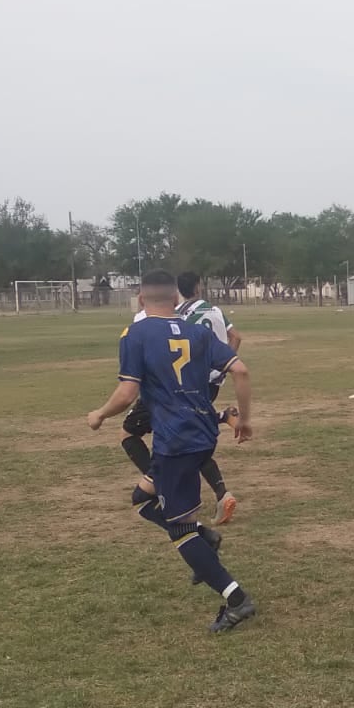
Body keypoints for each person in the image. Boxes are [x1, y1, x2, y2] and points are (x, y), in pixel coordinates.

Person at [87, 269, 257, 633]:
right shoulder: (197, 332)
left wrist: (100, 414)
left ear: (141, 299)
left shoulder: (136, 333)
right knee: (143, 500)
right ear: (177, 300)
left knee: (179, 531)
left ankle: (237, 599)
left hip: (175, 442)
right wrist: (243, 420)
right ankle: (205, 537)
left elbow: (128, 393)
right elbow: (240, 371)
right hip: (202, 435)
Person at [174, 271, 241, 523]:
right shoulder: (215, 310)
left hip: (190, 383)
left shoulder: (180, 314)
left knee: (184, 436)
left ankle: (221, 494)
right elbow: (236, 337)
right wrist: (224, 364)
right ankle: (223, 416)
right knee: (188, 430)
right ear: (198, 288)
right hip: (213, 381)